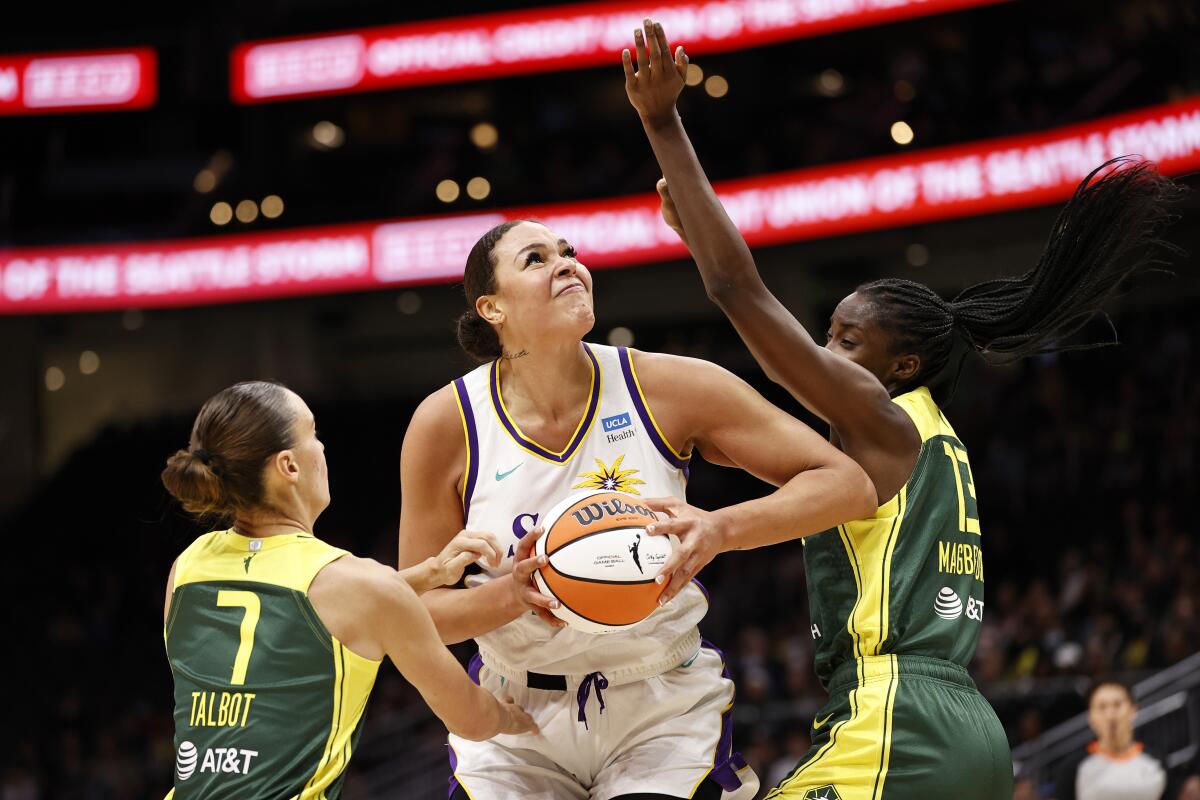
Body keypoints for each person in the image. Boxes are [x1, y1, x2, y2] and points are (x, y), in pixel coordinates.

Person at [623, 18, 1183, 800]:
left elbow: (737, 290)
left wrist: (662, 123)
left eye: (845, 341)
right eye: (828, 334)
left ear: (901, 365)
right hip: (963, 723)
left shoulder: (877, 414)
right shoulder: (933, 436)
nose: (826, 354)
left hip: (898, 715)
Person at [397, 212, 877, 799]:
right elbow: (414, 611)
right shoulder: (446, 423)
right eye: (536, 259)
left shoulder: (668, 386)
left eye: (568, 252)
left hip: (659, 704)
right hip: (515, 711)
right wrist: (511, 594)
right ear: (491, 308)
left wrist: (722, 527)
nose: (568, 265)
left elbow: (846, 484)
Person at [159, 380, 537, 799]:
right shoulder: (362, 586)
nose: (322, 449)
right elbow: (471, 719)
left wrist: (425, 574)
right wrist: (515, 720)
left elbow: (287, 614)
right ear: (289, 466)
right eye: (313, 434)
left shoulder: (187, 568)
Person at [1053, 681, 1167, 800]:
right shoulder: (1074, 766)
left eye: (1117, 705)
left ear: (1133, 710)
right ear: (1091, 717)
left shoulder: (1156, 760)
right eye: (1102, 707)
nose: (1110, 715)